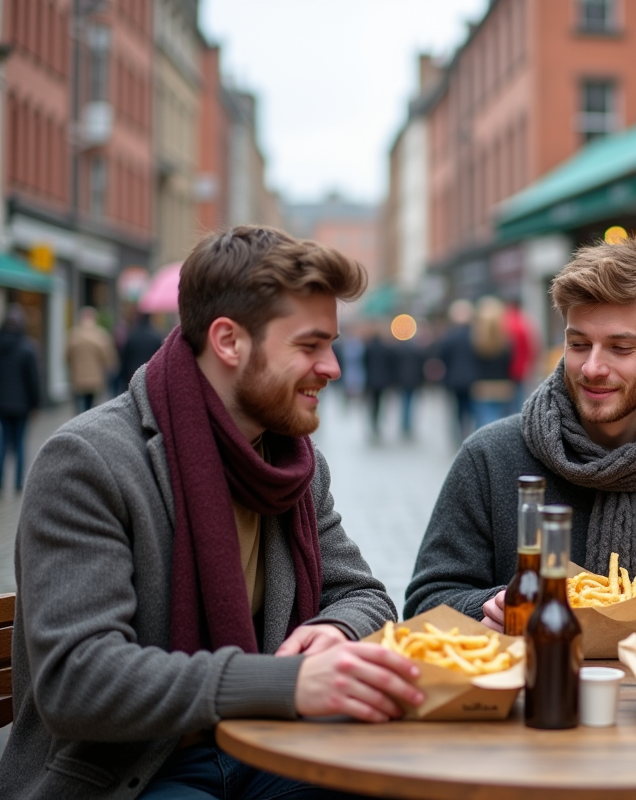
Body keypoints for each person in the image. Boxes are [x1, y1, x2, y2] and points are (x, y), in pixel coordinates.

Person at [1, 226, 426, 800]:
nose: (333, 368)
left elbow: (367, 596)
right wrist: (286, 682)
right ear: (229, 341)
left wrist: (336, 626)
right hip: (132, 772)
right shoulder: (89, 461)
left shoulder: (293, 463)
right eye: (309, 345)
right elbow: (79, 679)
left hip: (268, 748)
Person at [405, 236, 636, 629]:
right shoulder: (489, 456)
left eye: (620, 348)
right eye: (578, 344)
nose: (592, 367)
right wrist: (489, 607)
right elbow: (426, 602)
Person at [0, 305, 40, 492]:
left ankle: (1, 482)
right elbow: (33, 379)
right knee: (20, 445)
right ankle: (18, 483)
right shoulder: (27, 347)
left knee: (3, 443)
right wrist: (36, 403)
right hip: (22, 404)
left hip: (2, 404)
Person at [469, 295, 514, 429]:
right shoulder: (505, 340)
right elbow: (509, 362)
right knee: (499, 421)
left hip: (482, 385)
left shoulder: (476, 340)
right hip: (502, 384)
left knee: (484, 421)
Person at [439, 298, 478, 443]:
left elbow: (441, 356)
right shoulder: (475, 335)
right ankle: (470, 433)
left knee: (458, 409)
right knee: (471, 407)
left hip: (453, 379)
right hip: (473, 378)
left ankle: (459, 433)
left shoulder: (450, 336)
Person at [66, 305, 118, 413]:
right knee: (89, 404)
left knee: (79, 403)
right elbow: (107, 357)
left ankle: (77, 422)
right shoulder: (100, 334)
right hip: (95, 377)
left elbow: (67, 355)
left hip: (77, 376)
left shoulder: (74, 334)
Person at [362, 325, 395, 439]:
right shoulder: (385, 348)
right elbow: (390, 365)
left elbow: (364, 363)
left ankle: (373, 422)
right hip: (382, 380)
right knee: (380, 402)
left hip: (371, 380)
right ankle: (378, 422)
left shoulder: (369, 348)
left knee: (372, 403)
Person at [392, 329, 426, 439]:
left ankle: (405, 423)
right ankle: (407, 423)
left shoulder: (398, 350)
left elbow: (395, 366)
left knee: (405, 401)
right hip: (413, 380)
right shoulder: (416, 349)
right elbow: (421, 366)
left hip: (402, 380)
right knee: (410, 402)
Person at [119, 312, 164, 393]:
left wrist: (123, 376)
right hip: (150, 375)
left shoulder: (132, 336)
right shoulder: (156, 337)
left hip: (132, 374)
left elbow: (125, 358)